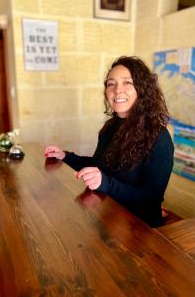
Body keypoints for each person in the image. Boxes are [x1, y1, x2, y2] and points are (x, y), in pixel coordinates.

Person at [44, 56, 174, 228]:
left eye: (127, 82)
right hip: (107, 213)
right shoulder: (110, 127)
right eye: (111, 84)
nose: (117, 90)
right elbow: (100, 165)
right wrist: (65, 156)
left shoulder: (159, 137)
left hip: (140, 227)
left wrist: (105, 183)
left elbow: (151, 198)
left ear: (142, 89)